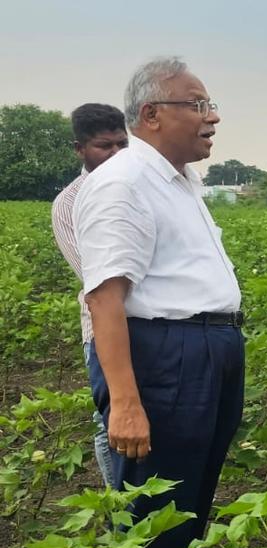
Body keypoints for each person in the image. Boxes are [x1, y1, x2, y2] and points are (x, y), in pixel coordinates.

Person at [74, 57, 242, 548]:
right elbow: (105, 299)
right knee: (155, 516)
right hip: (165, 357)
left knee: (185, 512)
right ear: (151, 114)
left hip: (204, 350)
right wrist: (125, 401)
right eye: (197, 105)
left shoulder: (177, 179)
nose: (212, 117)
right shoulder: (123, 183)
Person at [50, 103, 128, 488]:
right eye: (104, 146)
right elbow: (96, 277)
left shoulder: (138, 187)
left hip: (156, 325)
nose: (115, 154)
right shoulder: (69, 203)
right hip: (105, 328)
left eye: (121, 144)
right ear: (79, 149)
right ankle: (121, 506)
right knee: (110, 419)